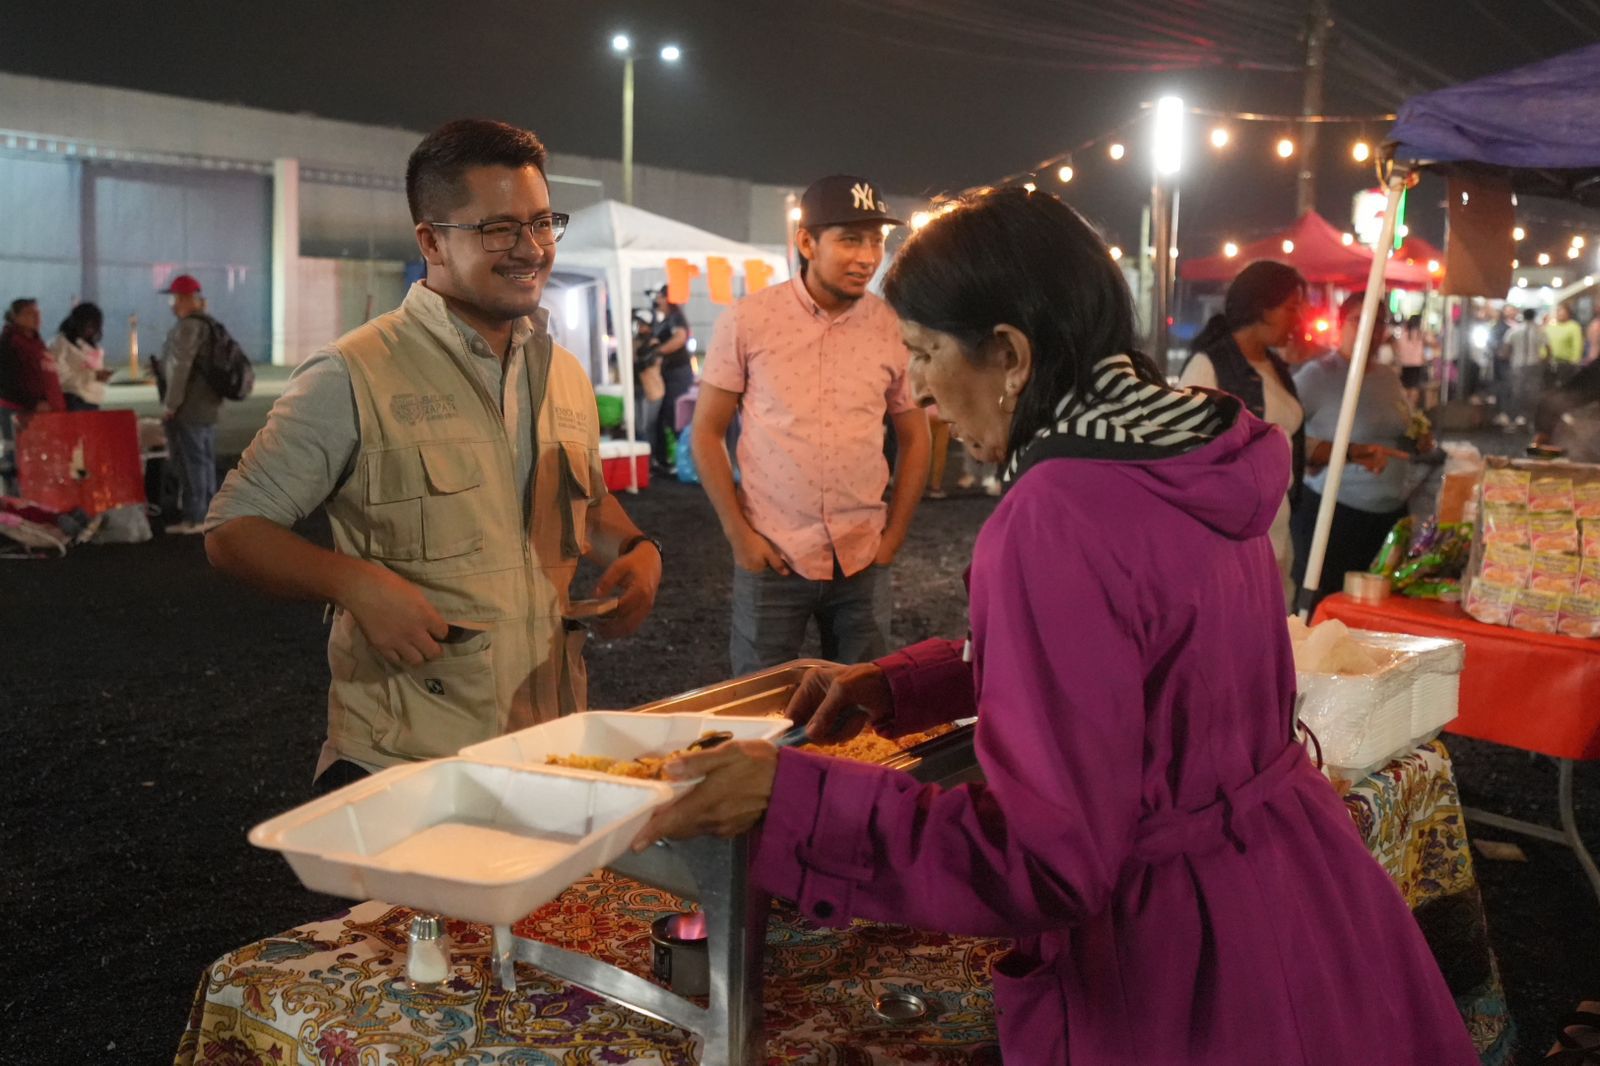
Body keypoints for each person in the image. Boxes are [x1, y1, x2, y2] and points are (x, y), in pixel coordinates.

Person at [634, 188, 1477, 1066]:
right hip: (1297, 885)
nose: (918, 392)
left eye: (924, 354)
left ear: (1008, 354)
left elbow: (1046, 861)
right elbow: (1139, 651)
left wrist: (792, 797)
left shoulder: (1054, 514)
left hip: (1178, 959)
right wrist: (902, 683)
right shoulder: (1192, 452)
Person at [205, 119, 663, 791]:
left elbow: (582, 500)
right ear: (431, 241)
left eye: (542, 223)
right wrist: (355, 584)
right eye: (499, 229)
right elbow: (233, 529)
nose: (530, 249)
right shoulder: (354, 372)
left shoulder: (562, 372)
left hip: (551, 748)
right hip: (409, 766)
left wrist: (636, 550)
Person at [692, 174, 929, 676]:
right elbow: (706, 432)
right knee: (761, 712)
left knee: (866, 715)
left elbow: (916, 435)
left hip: (863, 559)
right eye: (850, 239)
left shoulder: (891, 326)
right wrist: (739, 537)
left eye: (876, 241)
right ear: (806, 242)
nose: (868, 257)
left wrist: (893, 539)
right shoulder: (749, 319)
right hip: (773, 556)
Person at [1181, 260, 1306, 607]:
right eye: (1291, 308)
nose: (1298, 319)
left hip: (1280, 528)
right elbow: (1184, 457)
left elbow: (1286, 439)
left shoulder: (1276, 367)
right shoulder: (1208, 367)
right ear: (1262, 308)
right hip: (1233, 539)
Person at [1291, 292, 1424, 606]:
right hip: (1336, 515)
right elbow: (1287, 433)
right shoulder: (1318, 376)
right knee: (1330, 609)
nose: (1371, 329)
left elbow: (1403, 425)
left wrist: (1418, 436)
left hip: (1389, 518)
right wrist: (1334, 453)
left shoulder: (1388, 378)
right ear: (1341, 325)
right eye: (1359, 319)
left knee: (1381, 611)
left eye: (1379, 322)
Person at [157, 275, 224, 533]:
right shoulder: (211, 324)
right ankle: (209, 513)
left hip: (189, 406)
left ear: (185, 299)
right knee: (205, 460)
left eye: (174, 299)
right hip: (207, 405)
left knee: (191, 462)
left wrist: (171, 404)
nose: (172, 306)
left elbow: (181, 367)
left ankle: (196, 517)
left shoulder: (188, 327)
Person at [644, 287, 692, 474]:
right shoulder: (664, 320)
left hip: (678, 374)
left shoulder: (676, 318)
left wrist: (658, 351)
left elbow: (679, 339)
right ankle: (666, 460)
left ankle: (686, 459)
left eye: (661, 297)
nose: (658, 301)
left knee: (676, 415)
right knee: (664, 417)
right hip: (667, 375)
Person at [0, 298, 66, 413]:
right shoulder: (9, 343)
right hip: (20, 411)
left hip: (47, 410)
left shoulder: (37, 343)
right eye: (30, 313)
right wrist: (32, 403)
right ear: (15, 317)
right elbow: (6, 381)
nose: (37, 317)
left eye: (38, 313)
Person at [49, 302, 113, 411]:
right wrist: (92, 376)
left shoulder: (88, 345)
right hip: (74, 399)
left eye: (94, 327)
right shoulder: (60, 344)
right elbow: (60, 377)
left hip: (93, 399)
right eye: (88, 326)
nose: (91, 330)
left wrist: (101, 375)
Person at [1498, 307, 1545, 426]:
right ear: (1534, 317)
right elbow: (1548, 350)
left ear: (1522, 316)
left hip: (1517, 365)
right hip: (1534, 364)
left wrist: (1507, 358)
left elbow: (1506, 350)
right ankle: (1529, 418)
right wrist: (1543, 360)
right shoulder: (1540, 331)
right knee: (1532, 392)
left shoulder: (1513, 331)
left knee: (1517, 391)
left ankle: (1514, 417)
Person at [1543, 303, 1585, 388]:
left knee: (1564, 387)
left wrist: (1575, 361)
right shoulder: (1550, 327)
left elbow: (1577, 345)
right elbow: (1544, 344)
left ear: (1568, 314)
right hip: (1550, 362)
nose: (1560, 314)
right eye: (1558, 312)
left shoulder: (1574, 326)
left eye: (1563, 312)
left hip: (1566, 363)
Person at [1395, 313, 1430, 405]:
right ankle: (1412, 411)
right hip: (1417, 366)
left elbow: (1398, 349)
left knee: (1405, 390)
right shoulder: (1421, 335)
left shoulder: (1403, 334)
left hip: (1405, 365)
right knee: (1414, 390)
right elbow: (1434, 343)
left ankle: (1406, 410)